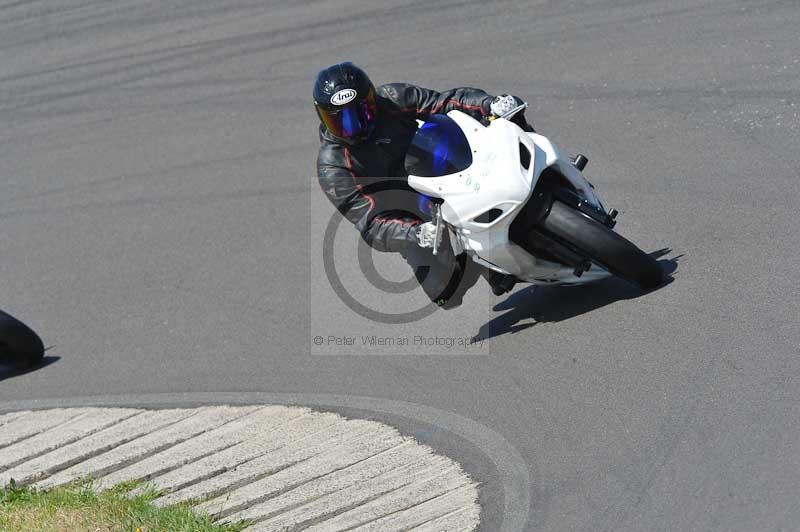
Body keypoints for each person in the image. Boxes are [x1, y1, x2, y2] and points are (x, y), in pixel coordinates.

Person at [315, 62, 533, 309]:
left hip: (438, 168)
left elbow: (444, 102)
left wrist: (488, 103)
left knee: (506, 114)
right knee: (445, 294)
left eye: (361, 112)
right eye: (341, 121)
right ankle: (482, 263)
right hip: (406, 211)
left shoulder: (393, 98)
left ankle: (546, 164)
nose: (354, 127)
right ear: (323, 117)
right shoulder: (332, 167)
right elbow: (370, 222)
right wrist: (414, 232)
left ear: (373, 99)